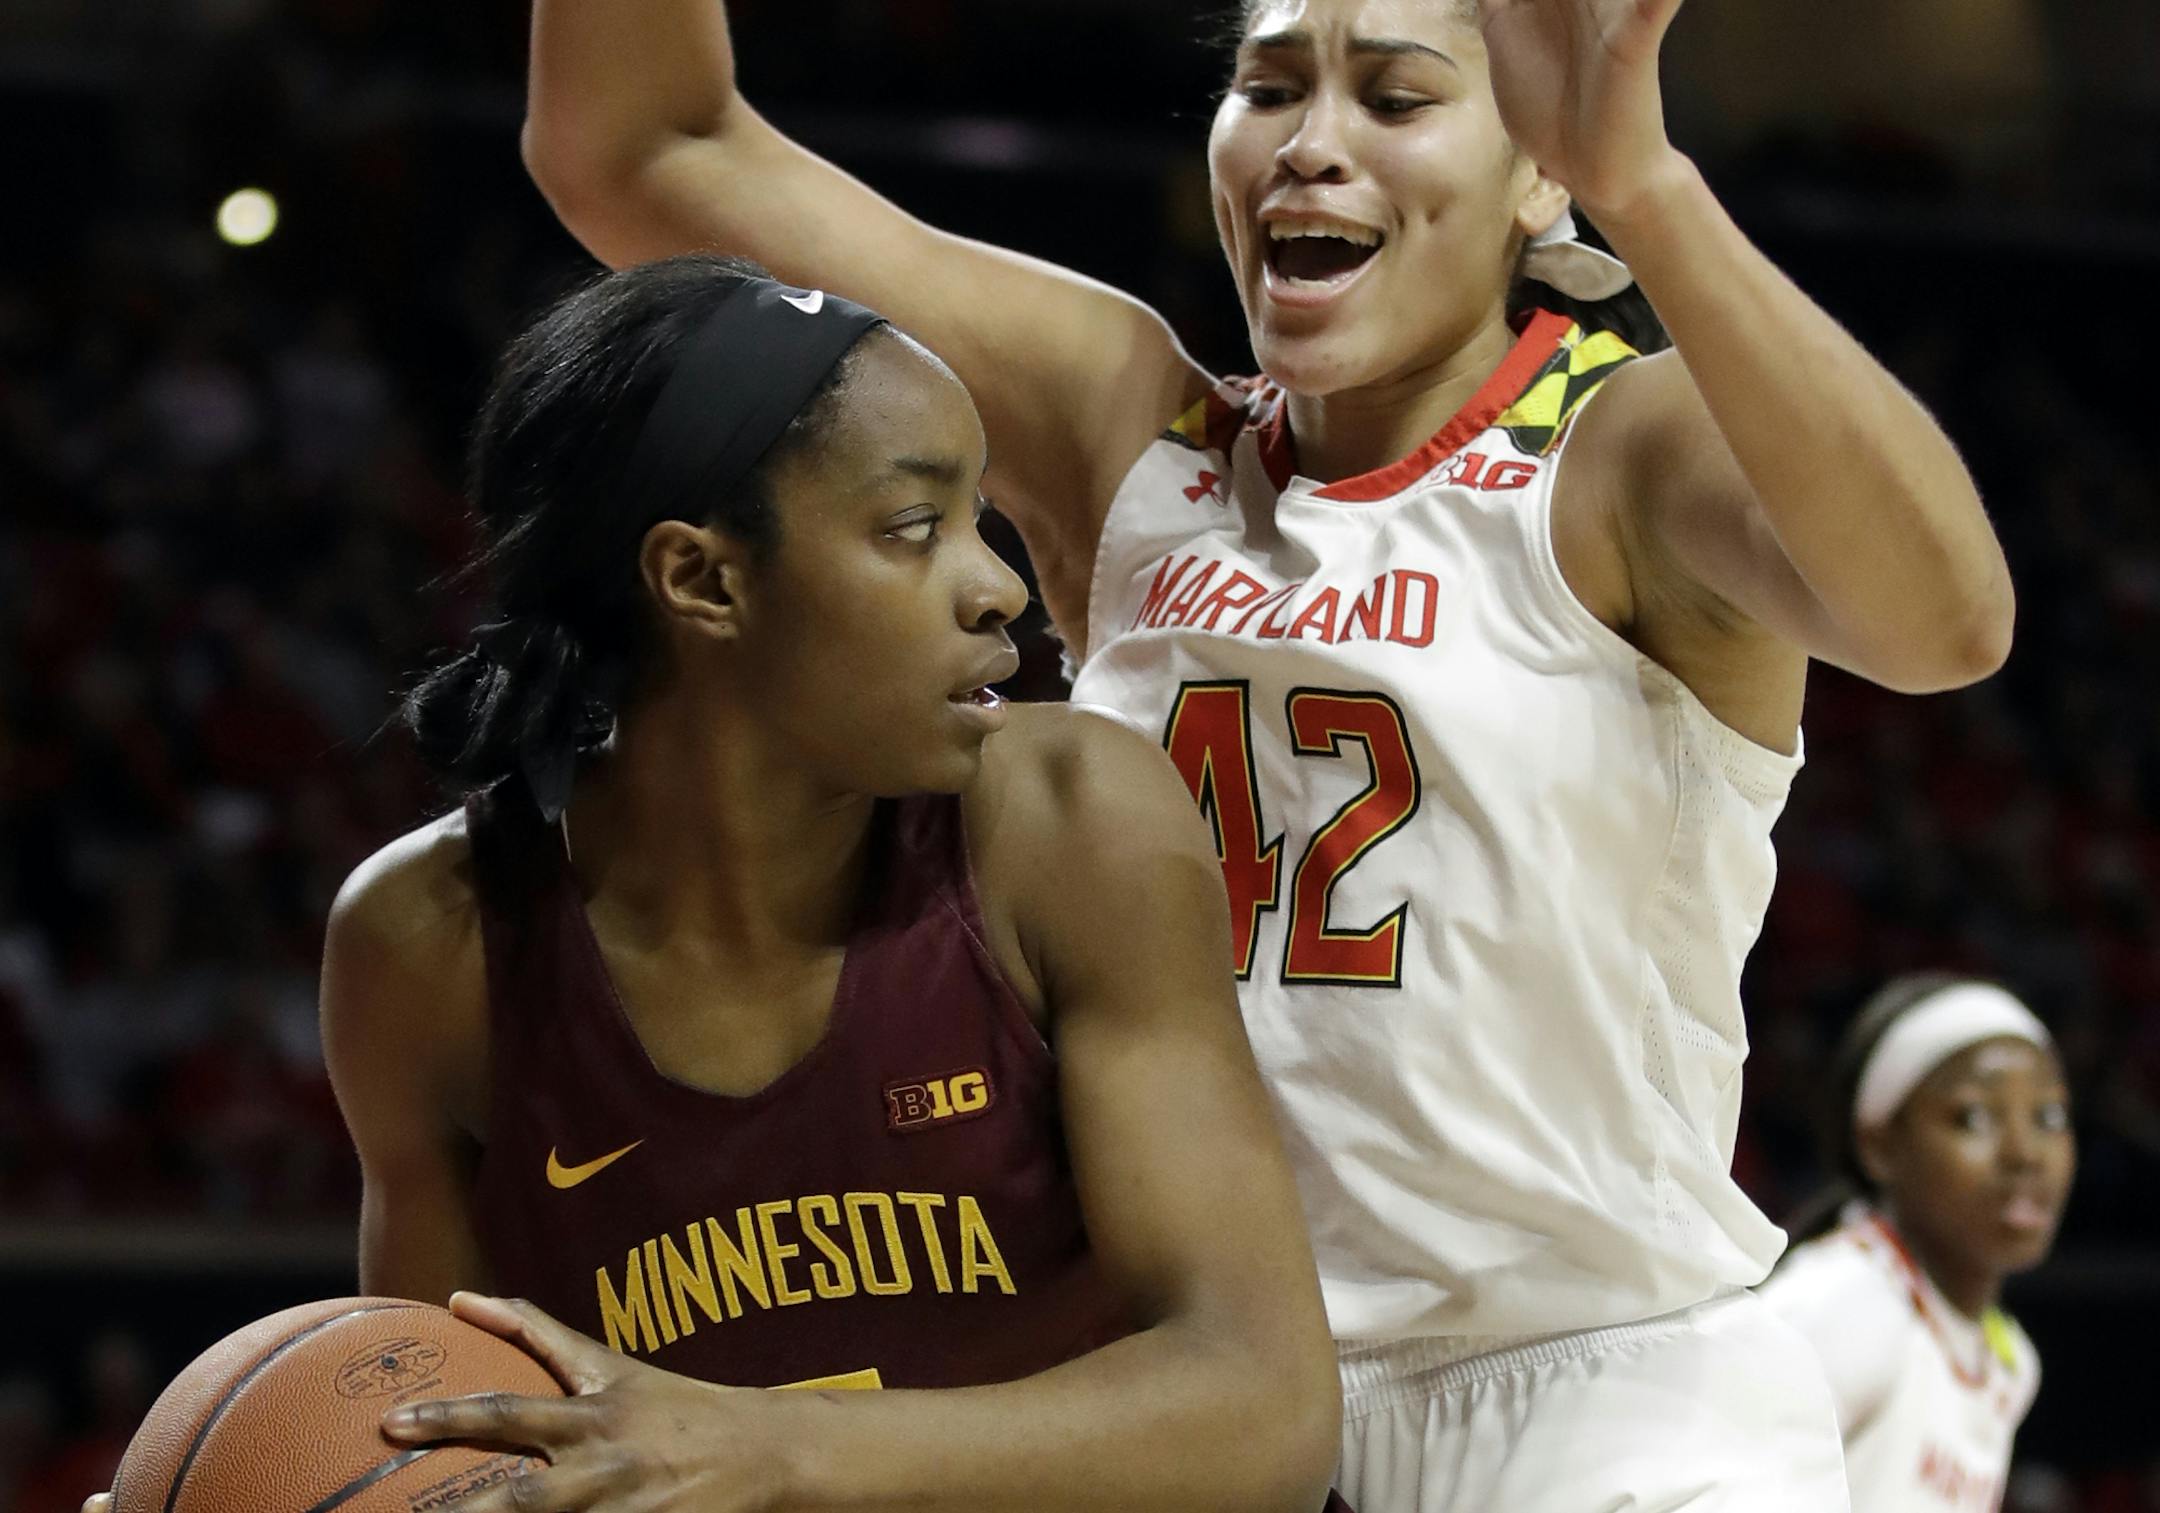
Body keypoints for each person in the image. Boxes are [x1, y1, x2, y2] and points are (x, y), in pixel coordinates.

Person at [519, 0, 2016, 1505]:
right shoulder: (1131, 423)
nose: (1311, 145)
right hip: (1203, 1402)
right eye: (1270, 87)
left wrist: (1648, 184)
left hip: (1608, 1405)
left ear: (1535, 174)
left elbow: (1944, 623)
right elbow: (642, 152)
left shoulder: (1623, 444)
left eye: (1396, 98)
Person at [86, 254, 1343, 1513]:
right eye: (916, 528)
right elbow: (441, 1455)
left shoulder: (1066, 818)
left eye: (978, 517)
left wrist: (768, 1452)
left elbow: (1264, 1411)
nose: (999, 587)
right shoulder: (430, 947)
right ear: (701, 578)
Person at [1759, 975, 2075, 1512]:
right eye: (1974, 1117)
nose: (2025, 1154)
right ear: (1879, 1144)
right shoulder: (1847, 1303)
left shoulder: (2008, 1362)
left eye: (2048, 1116)